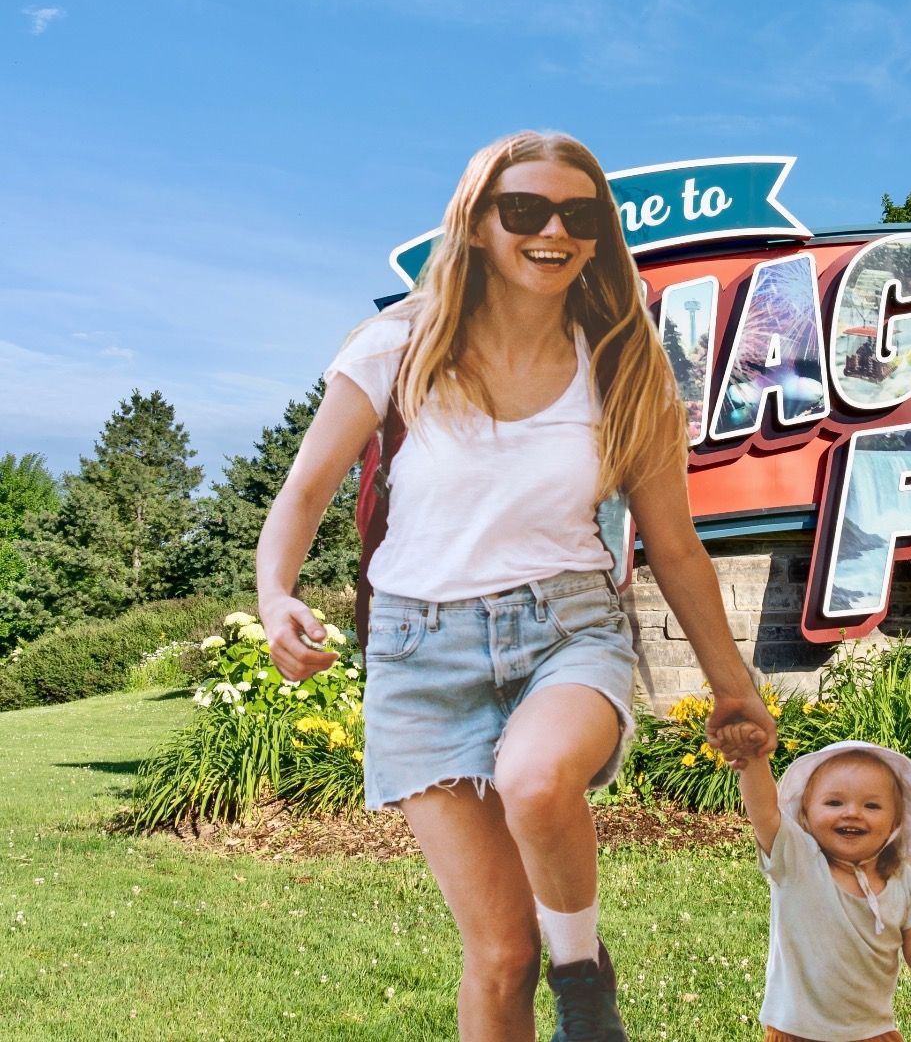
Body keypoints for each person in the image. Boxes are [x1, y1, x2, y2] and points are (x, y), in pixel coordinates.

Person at [256, 130, 778, 1042]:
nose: (553, 232)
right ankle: (551, 967)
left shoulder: (625, 364)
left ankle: (583, 979)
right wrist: (276, 597)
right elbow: (304, 490)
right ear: (479, 224)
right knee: (498, 957)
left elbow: (678, 548)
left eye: (579, 216)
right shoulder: (399, 345)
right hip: (419, 656)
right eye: (525, 210)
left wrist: (734, 687)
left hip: (566, 627)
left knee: (536, 779)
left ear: (599, 237)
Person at [717, 735, 911, 1042]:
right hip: (797, 1031)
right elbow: (764, 809)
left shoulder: (903, 881)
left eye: (871, 805)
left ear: (896, 820)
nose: (852, 812)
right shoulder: (797, 861)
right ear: (806, 812)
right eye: (834, 802)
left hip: (871, 1033)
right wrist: (752, 763)